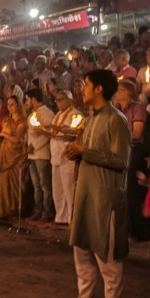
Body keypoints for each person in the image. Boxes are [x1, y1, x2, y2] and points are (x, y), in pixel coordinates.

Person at [55, 70, 131, 298]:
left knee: (108, 259)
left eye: (85, 85)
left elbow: (121, 161)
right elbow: (87, 153)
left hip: (105, 197)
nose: (81, 89)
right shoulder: (88, 119)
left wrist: (86, 152)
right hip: (85, 194)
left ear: (99, 89)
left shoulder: (116, 120)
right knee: (82, 253)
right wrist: (76, 153)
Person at [113, 78, 150, 241]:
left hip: (133, 151)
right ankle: (123, 229)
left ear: (127, 92)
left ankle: (137, 231)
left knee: (130, 191)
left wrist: (118, 136)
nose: (115, 94)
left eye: (118, 90)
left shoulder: (138, 108)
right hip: (119, 150)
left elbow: (137, 134)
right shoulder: (116, 108)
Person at [0, 95, 28, 219]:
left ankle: (15, 208)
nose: (9, 107)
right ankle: (2, 209)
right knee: (3, 181)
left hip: (16, 155)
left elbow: (17, 139)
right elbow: (1, 135)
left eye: (12, 104)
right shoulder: (6, 119)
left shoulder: (21, 121)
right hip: (5, 152)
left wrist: (5, 135)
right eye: (8, 105)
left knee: (16, 183)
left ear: (18, 105)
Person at [48, 90, 82, 226]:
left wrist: (54, 130)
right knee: (58, 189)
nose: (59, 102)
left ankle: (71, 219)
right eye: (57, 99)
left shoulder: (76, 114)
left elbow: (74, 134)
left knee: (69, 189)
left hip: (68, 157)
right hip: (56, 157)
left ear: (70, 100)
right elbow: (53, 134)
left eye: (62, 99)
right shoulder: (57, 115)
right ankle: (61, 217)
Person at [25, 88, 55, 224]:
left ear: (34, 99)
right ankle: (38, 211)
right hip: (32, 155)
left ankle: (47, 212)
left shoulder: (47, 113)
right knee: (36, 185)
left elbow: (48, 135)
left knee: (45, 186)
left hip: (42, 154)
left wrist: (34, 146)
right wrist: (29, 146)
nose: (26, 102)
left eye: (27, 99)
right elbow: (30, 134)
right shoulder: (32, 116)